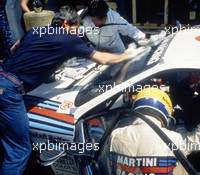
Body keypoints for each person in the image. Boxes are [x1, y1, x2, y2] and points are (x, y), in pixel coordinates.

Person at [0, 6, 144, 175]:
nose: (77, 33)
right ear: (66, 23)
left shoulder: (37, 30)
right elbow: (103, 58)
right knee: (19, 150)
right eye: (76, 28)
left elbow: (15, 48)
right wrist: (126, 56)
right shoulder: (68, 39)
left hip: (3, 76)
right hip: (8, 93)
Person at [80, 0, 149, 53]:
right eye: (96, 23)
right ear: (91, 17)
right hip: (94, 53)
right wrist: (90, 48)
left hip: (116, 50)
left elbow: (130, 29)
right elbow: (74, 37)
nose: (99, 25)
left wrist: (143, 38)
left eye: (102, 22)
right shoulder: (80, 20)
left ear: (106, 14)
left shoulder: (114, 17)